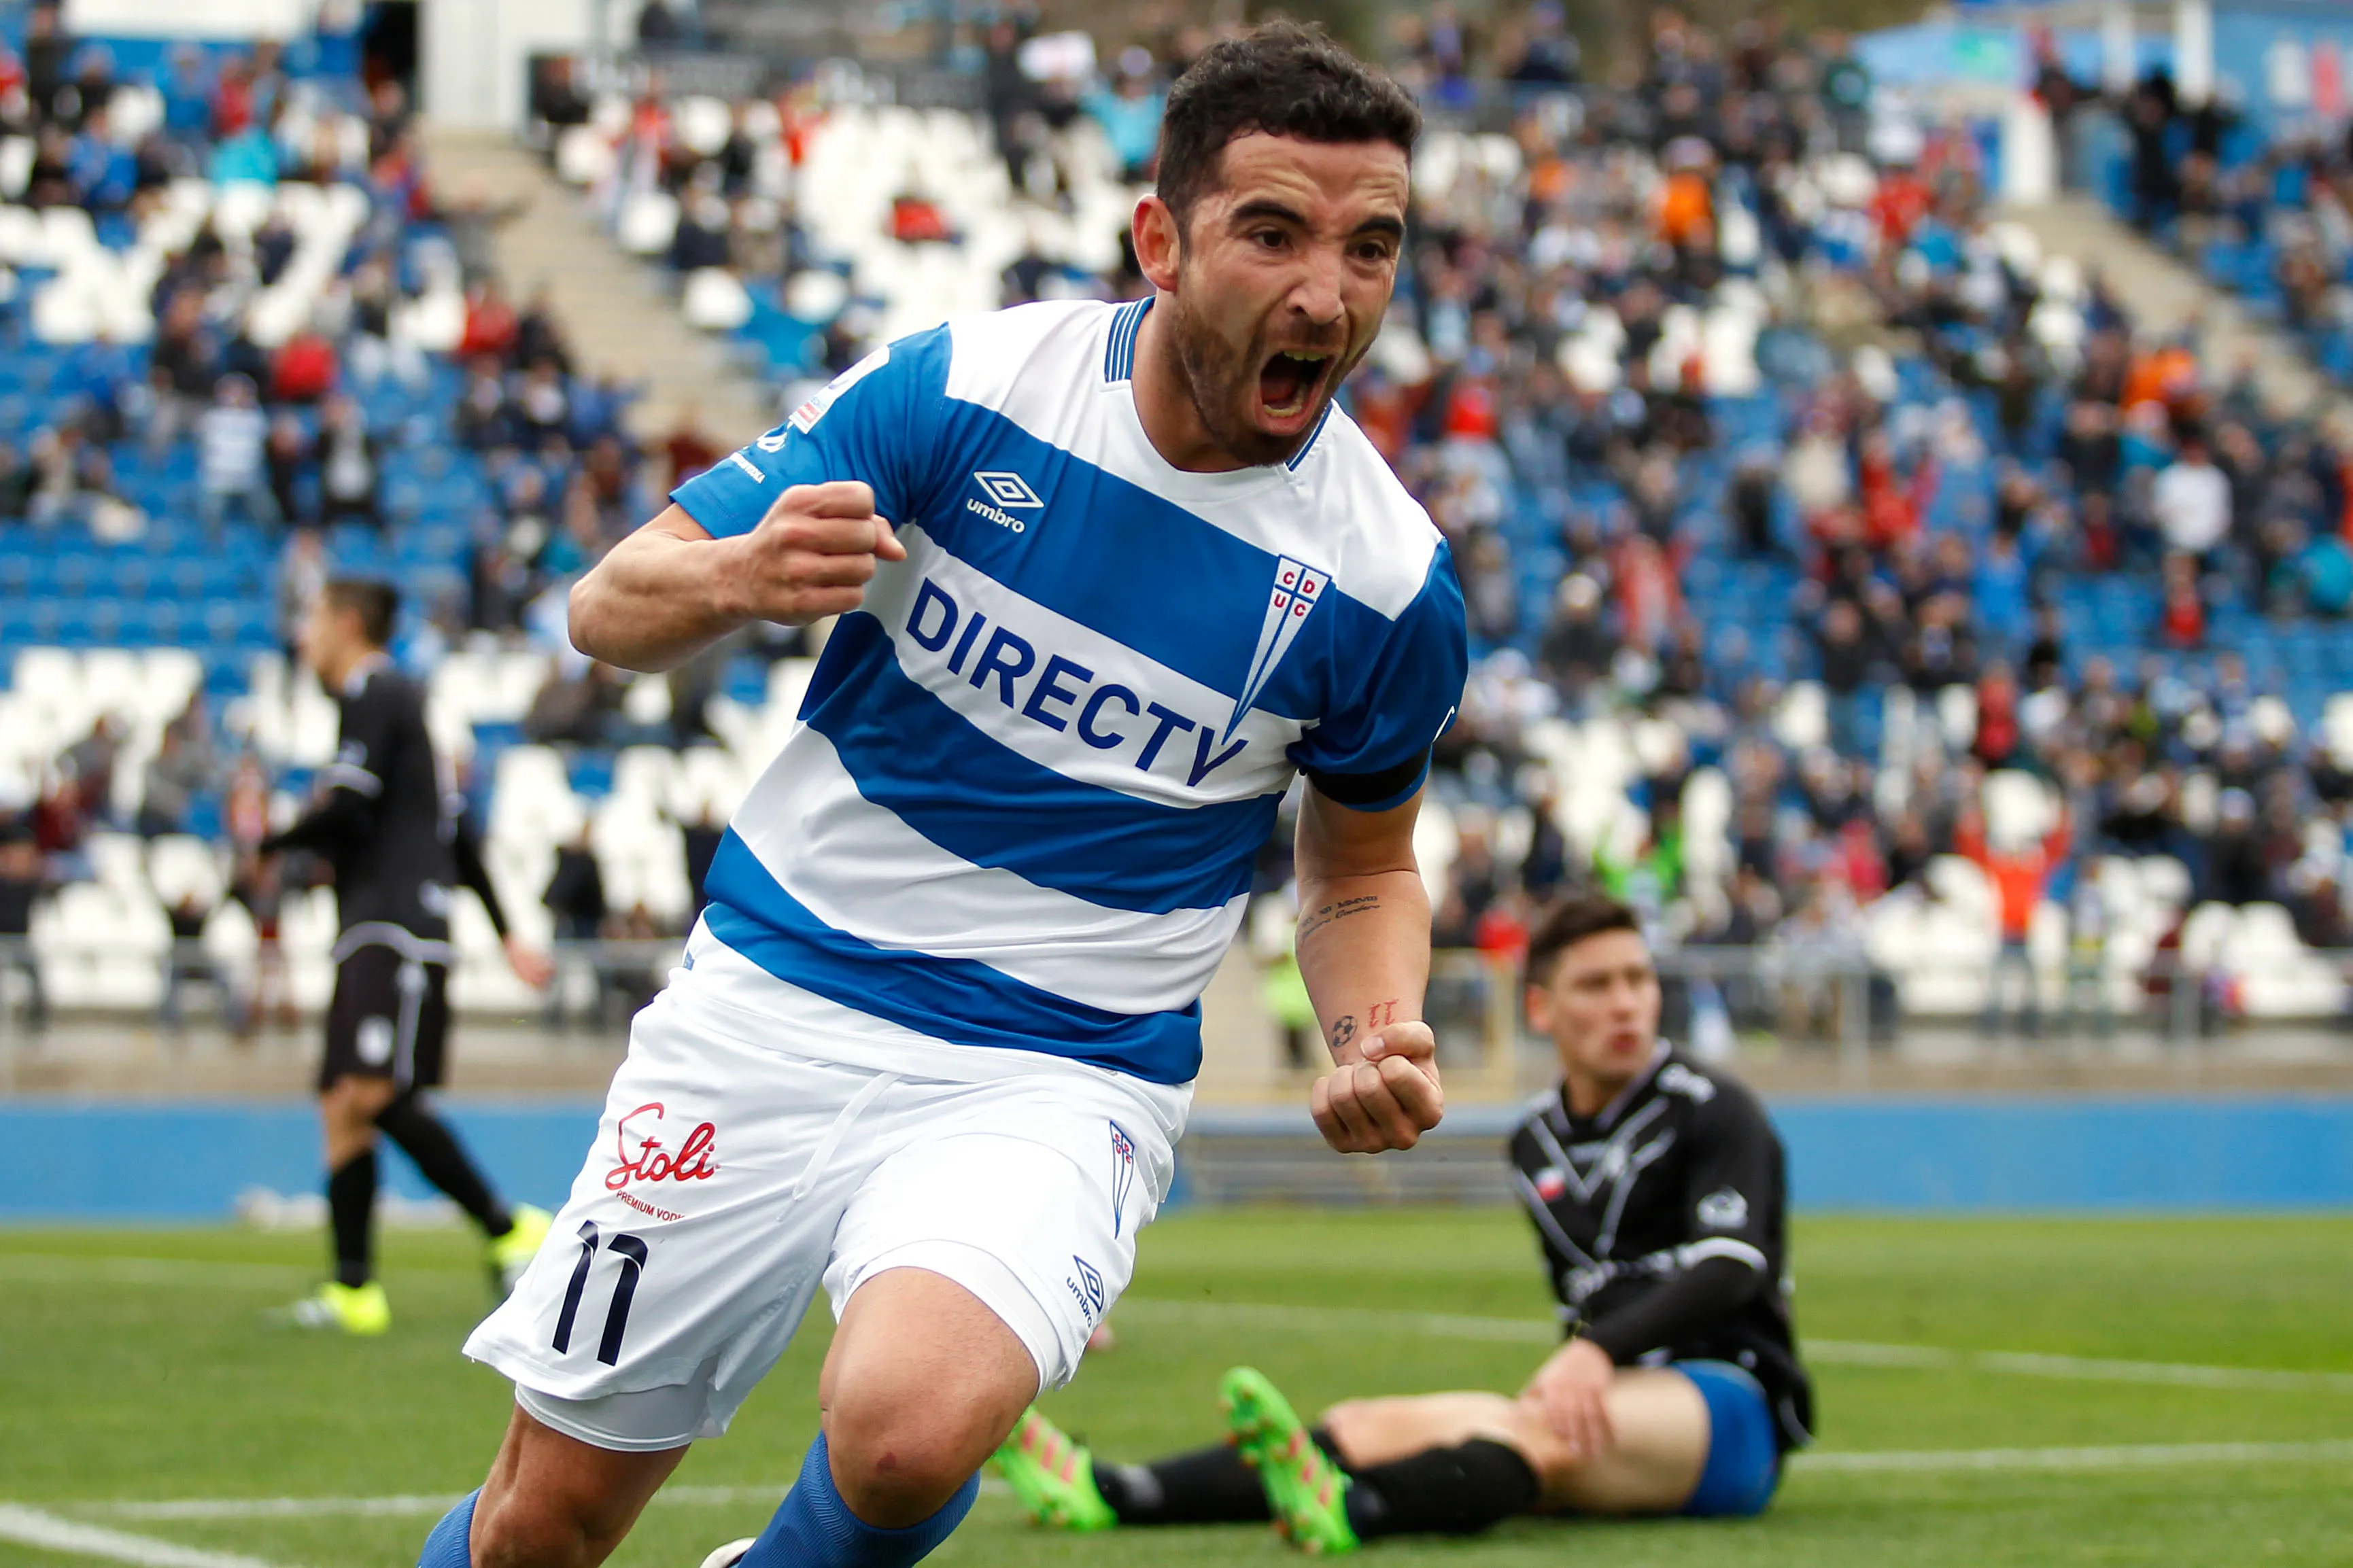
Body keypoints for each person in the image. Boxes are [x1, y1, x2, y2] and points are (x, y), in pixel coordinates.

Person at [420, 27, 1466, 1568]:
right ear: (1159, 240)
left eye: (1369, 246)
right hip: (772, 1003)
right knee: (542, 1528)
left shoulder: (1384, 581)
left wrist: (1373, 1029)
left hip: (1062, 1065)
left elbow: (1362, 868)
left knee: (908, 1431)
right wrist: (734, 574)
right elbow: (608, 604)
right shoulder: (968, 390)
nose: (1328, 292)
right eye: (1274, 232)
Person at [993, 894, 1811, 1547]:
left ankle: (1359, 1512)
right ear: (1539, 1009)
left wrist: (1592, 1354)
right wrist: (1592, 1361)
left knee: (1539, 1438)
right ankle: (1115, 1493)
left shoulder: (1713, 1110)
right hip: (1609, 1386)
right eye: (1596, 986)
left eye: (1637, 979)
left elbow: (1730, 1265)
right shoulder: (1536, 1138)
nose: (1626, 1003)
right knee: (1365, 1422)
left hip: (1725, 1401)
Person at [260, 579, 557, 1336]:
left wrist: (274, 841)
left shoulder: (376, 689)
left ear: (349, 621)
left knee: (365, 1091)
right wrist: (505, 932)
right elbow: (453, 830)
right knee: (341, 1100)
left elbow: (352, 807)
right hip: (376, 922)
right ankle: (354, 1291)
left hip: (395, 925)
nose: (305, 637)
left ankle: (508, 1224)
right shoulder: (404, 717)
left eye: (314, 617)